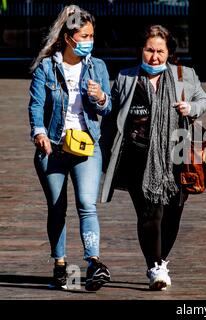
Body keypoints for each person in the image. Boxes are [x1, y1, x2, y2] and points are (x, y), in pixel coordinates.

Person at [100, 25, 206, 290]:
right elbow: (111, 111)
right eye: (149, 50)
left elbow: (203, 100)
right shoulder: (126, 78)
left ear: (169, 52)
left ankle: (160, 259)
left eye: (160, 51)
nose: (154, 57)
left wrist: (191, 107)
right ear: (141, 50)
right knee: (150, 213)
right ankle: (155, 267)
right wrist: (101, 99)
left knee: (173, 215)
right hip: (137, 157)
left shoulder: (185, 76)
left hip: (176, 156)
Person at [28, 5, 112, 291]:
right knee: (57, 207)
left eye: (92, 35)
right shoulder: (46, 67)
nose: (89, 40)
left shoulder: (97, 67)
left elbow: (108, 106)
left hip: (87, 145)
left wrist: (101, 97)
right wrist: (38, 133)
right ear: (68, 37)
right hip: (53, 147)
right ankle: (61, 263)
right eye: (84, 35)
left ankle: (93, 262)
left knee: (87, 204)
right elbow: (36, 104)